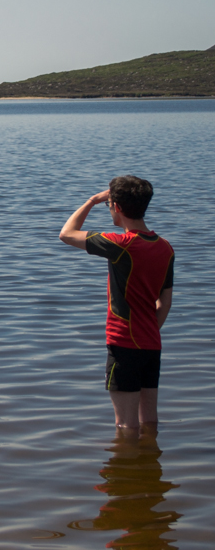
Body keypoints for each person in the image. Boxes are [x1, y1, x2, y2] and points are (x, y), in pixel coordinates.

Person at [59, 176, 174, 433]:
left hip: (123, 343)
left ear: (116, 207)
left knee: (125, 426)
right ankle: (150, 465)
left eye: (108, 204)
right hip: (151, 343)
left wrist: (91, 200)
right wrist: (149, 331)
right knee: (149, 420)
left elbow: (66, 234)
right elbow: (165, 301)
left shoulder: (121, 244)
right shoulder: (165, 247)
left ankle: (126, 470)